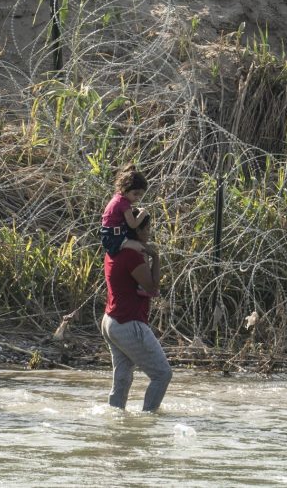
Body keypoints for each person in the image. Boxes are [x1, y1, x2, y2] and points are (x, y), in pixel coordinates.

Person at [100, 212, 171, 412]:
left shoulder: (114, 250)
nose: (149, 233)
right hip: (128, 322)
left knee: (122, 378)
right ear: (136, 230)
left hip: (111, 321)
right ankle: (148, 420)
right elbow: (152, 288)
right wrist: (155, 257)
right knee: (162, 374)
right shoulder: (131, 256)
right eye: (146, 229)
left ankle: (117, 422)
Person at [100, 165, 148, 257]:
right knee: (140, 248)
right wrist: (142, 213)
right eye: (135, 194)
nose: (137, 198)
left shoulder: (118, 198)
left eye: (140, 195)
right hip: (113, 238)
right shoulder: (124, 204)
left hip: (108, 236)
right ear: (125, 189)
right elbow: (133, 224)